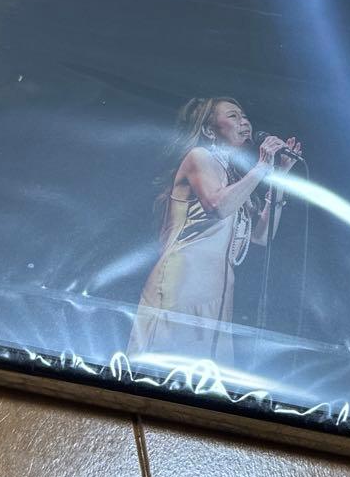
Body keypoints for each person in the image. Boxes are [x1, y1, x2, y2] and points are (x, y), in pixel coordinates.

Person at [127, 96, 301, 366]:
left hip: (218, 290)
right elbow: (218, 207)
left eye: (245, 116)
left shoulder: (235, 177)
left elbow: (261, 236)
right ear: (209, 130)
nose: (244, 122)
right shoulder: (199, 156)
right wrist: (262, 168)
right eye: (233, 116)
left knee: (207, 375)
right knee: (168, 368)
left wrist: (279, 177)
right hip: (183, 283)